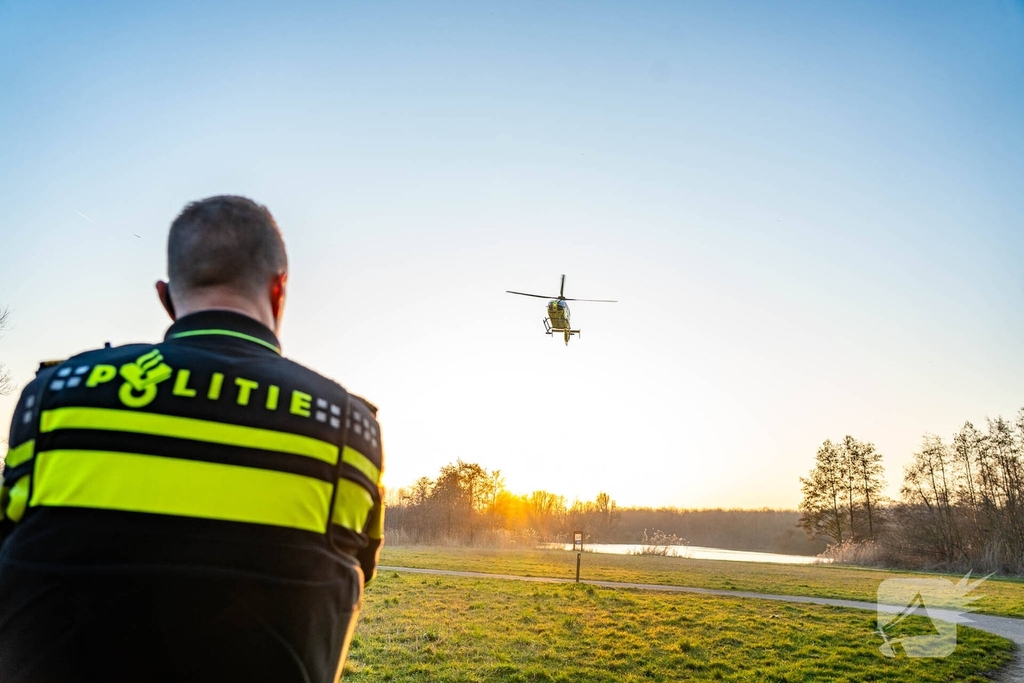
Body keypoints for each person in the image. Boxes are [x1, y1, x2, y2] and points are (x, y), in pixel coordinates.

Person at [0, 195, 383, 682]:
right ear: (280, 289)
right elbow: (352, 576)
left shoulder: (53, 397)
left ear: (165, 296)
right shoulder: (349, 428)